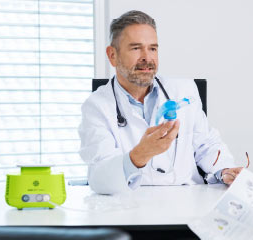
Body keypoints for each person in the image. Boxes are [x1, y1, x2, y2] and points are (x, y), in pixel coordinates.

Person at [78, 10, 242, 194]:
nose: (147, 58)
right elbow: (101, 176)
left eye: (153, 48)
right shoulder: (96, 106)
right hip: (129, 207)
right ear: (112, 55)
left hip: (187, 202)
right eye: (135, 48)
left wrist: (224, 170)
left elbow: (207, 146)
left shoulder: (184, 91)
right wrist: (140, 154)